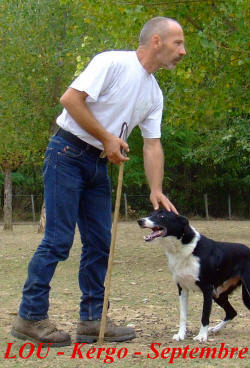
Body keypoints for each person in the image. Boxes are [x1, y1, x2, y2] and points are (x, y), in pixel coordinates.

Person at [11, 16, 186, 346]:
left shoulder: (154, 94)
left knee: (100, 243)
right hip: (66, 153)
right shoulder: (112, 62)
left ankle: (92, 320)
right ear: (157, 41)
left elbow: (152, 144)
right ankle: (29, 317)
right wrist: (107, 137)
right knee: (59, 239)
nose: (183, 51)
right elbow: (70, 100)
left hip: (97, 166)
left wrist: (156, 189)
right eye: (178, 43)